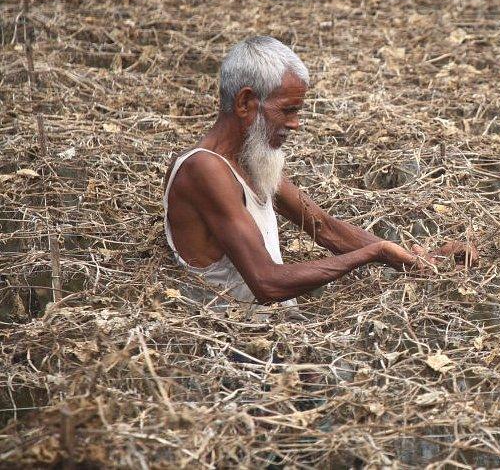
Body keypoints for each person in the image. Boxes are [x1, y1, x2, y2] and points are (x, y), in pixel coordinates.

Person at [162, 36, 475, 315]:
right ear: (245, 103)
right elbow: (266, 282)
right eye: (287, 110)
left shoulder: (248, 163)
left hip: (276, 335)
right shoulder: (203, 169)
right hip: (234, 348)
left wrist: (422, 259)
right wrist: (374, 253)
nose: (296, 123)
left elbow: (326, 229)